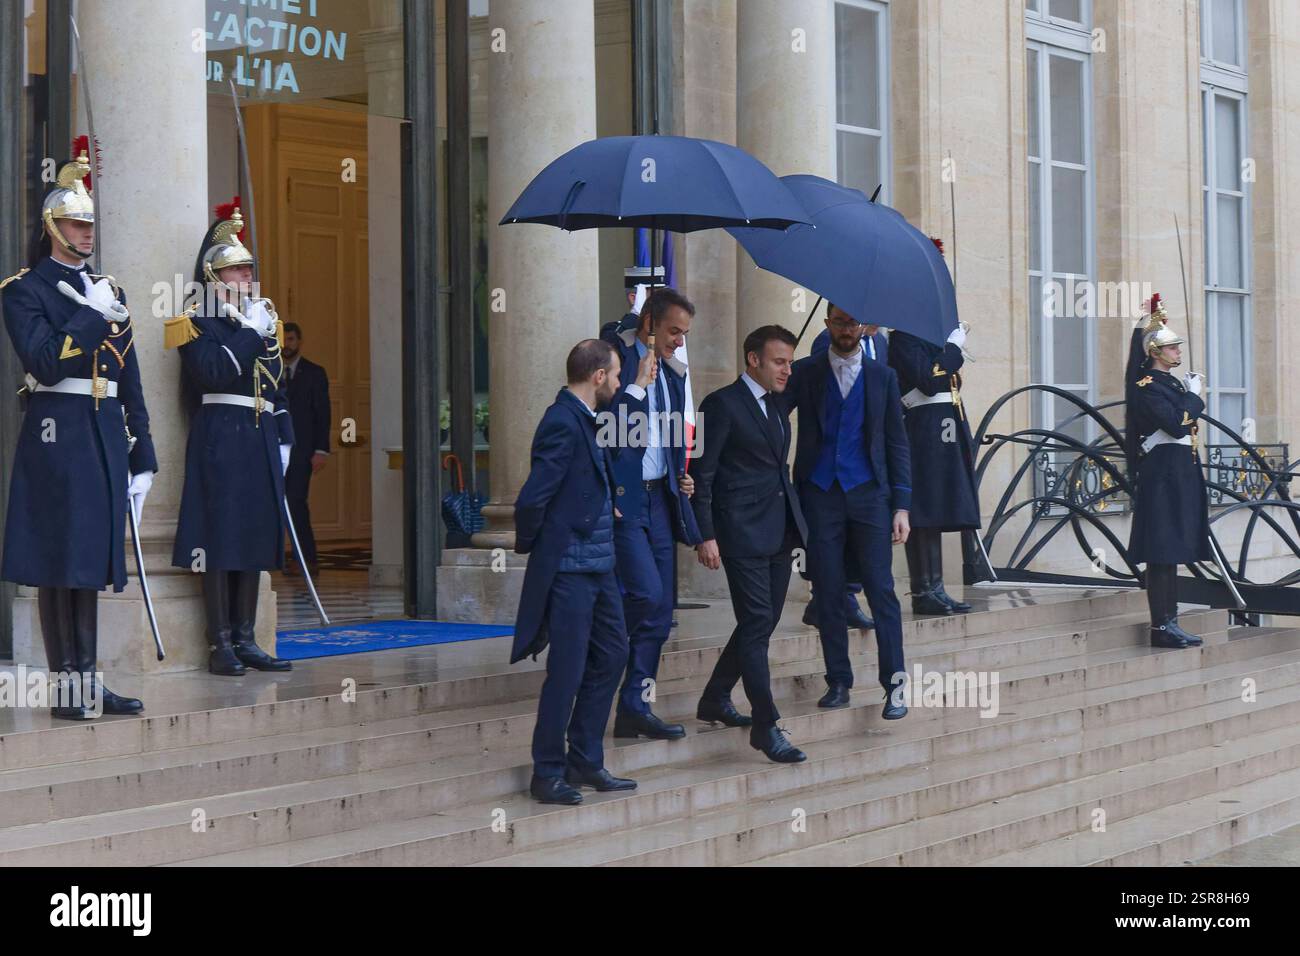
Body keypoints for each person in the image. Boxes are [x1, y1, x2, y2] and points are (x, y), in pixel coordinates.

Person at [0, 147, 157, 719]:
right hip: (57, 436)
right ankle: (67, 688)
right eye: (74, 223)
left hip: (103, 436)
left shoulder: (108, 289)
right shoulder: (23, 290)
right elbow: (45, 360)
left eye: (90, 223)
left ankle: (89, 679)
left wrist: (145, 455)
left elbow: (130, 379)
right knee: (57, 562)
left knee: (88, 561)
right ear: (51, 227)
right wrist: (90, 315)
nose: (85, 232)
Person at [167, 200, 293, 676]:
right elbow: (214, 373)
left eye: (247, 270)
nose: (245, 278)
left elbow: (277, 383)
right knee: (218, 538)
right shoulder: (195, 321)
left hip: (258, 433)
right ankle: (219, 641)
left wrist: (285, 434)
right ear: (214, 276)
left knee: (255, 536)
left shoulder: (260, 321)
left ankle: (247, 637)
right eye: (237, 271)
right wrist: (250, 334)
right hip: (220, 432)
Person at [512, 339, 636, 805]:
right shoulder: (562, 421)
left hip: (599, 565)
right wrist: (541, 544)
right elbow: (533, 498)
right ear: (598, 376)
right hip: (570, 567)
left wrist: (604, 508)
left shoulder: (588, 419)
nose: (620, 383)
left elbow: (583, 485)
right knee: (566, 670)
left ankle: (584, 758)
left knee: (612, 655)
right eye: (617, 374)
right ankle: (547, 772)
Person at [785, 303, 911, 718]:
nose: (846, 329)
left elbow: (896, 443)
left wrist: (902, 505)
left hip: (869, 494)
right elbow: (769, 412)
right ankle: (838, 681)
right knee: (829, 590)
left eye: (853, 322)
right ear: (827, 324)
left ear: (864, 326)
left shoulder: (883, 377)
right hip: (820, 494)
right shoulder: (806, 372)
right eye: (838, 322)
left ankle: (895, 687)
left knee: (881, 590)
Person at [692, 325, 809, 763]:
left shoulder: (779, 406)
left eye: (790, 362)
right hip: (738, 533)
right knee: (758, 620)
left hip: (779, 531)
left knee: (762, 621)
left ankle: (715, 697)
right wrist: (705, 534)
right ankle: (766, 725)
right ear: (753, 359)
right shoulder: (720, 405)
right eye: (780, 362)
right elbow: (702, 475)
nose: (787, 370)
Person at [602, 288, 704, 741]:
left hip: (662, 498)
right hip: (625, 500)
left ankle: (635, 706)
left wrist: (680, 476)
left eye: (684, 333)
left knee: (661, 611)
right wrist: (635, 379)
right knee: (643, 594)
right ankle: (596, 636)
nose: (679, 341)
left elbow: (669, 436)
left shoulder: (676, 374)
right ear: (649, 324)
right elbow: (609, 432)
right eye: (673, 331)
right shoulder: (618, 359)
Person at [887, 260, 980, 615]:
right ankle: (922, 589)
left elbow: (947, 382)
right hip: (922, 429)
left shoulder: (931, 339)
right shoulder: (904, 337)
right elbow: (929, 379)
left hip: (943, 427)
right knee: (922, 508)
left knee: (937, 507)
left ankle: (937, 586)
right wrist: (954, 349)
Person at [1125, 294, 1209, 649]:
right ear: (1156, 353)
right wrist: (1195, 397)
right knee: (1161, 551)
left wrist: (1187, 395)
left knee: (1173, 550)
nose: (1178, 352)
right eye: (1172, 348)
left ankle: (1170, 621)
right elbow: (1176, 425)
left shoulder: (1170, 385)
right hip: (1162, 476)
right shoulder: (1147, 387)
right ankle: (1161, 625)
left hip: (1179, 474)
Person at [803, 322, 890, 631]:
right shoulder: (824, 341)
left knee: (859, 553)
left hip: (864, 472)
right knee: (829, 551)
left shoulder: (879, 344)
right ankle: (830, 601)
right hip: (826, 472)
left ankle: (845, 599)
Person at [282, 322, 331, 576]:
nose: (286, 345)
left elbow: (323, 414)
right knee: (275, 503)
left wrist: (321, 450)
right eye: (283, 339)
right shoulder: (270, 370)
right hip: (275, 449)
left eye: (290, 339)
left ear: (299, 341)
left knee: (296, 501)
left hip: (302, 451)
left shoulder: (314, 373)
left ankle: (306, 558)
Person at [600, 264, 665, 338]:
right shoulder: (611, 330)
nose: (662, 302)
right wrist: (636, 314)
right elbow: (616, 343)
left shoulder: (668, 330)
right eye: (656, 296)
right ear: (634, 298)